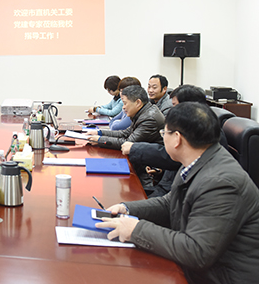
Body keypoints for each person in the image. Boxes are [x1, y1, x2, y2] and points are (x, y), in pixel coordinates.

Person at [96, 102, 259, 284]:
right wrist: (126, 209)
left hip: (221, 277)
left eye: (163, 133)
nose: (163, 137)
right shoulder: (200, 160)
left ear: (177, 138)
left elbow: (197, 252)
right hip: (203, 269)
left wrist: (136, 230)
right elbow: (169, 203)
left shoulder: (221, 182)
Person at [121, 84, 223, 196]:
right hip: (166, 188)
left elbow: (172, 157)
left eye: (174, 105)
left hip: (170, 192)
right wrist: (160, 170)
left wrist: (134, 148)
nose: (172, 110)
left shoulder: (202, 130)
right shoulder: (191, 125)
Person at [87, 85, 164, 150]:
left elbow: (127, 143)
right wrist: (99, 133)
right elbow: (125, 133)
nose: (123, 107)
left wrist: (100, 140)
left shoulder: (149, 119)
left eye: (125, 103)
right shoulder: (142, 112)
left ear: (138, 103)